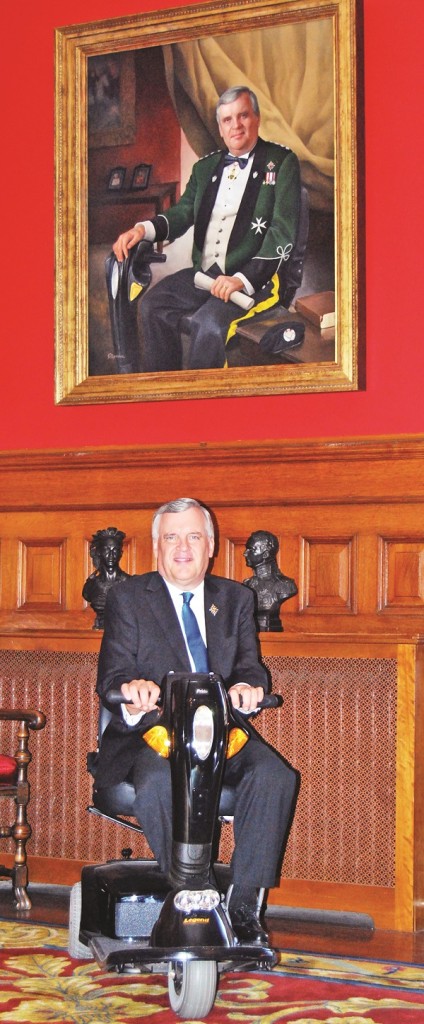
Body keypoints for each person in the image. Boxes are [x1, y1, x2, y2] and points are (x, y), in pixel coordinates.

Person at [94, 497, 299, 945]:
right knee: (156, 784)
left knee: (275, 776)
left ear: (210, 546)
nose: (182, 547)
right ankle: (193, 889)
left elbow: (249, 667)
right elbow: (111, 676)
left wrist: (250, 688)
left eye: (192, 537)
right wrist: (132, 689)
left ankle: (244, 908)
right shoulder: (128, 598)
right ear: (155, 547)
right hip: (155, 734)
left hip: (220, 731)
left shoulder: (236, 598)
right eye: (171, 537)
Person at [112, 86, 301, 371]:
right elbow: (183, 212)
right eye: (227, 120)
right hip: (204, 276)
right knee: (153, 306)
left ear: (257, 119)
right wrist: (143, 230)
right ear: (220, 128)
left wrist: (241, 278)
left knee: (208, 325)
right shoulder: (205, 167)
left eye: (243, 116)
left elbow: (281, 232)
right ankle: (165, 393)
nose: (236, 126)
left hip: (254, 282)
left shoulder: (281, 162)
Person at [243, 530, 298, 632]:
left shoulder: (285, 585)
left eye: (251, 549)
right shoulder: (246, 586)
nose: (245, 553)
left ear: (265, 554)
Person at [82, 527, 130, 630]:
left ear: (121, 553)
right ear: (99, 552)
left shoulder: (131, 583)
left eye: (115, 550)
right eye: (107, 550)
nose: (111, 555)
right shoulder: (90, 586)